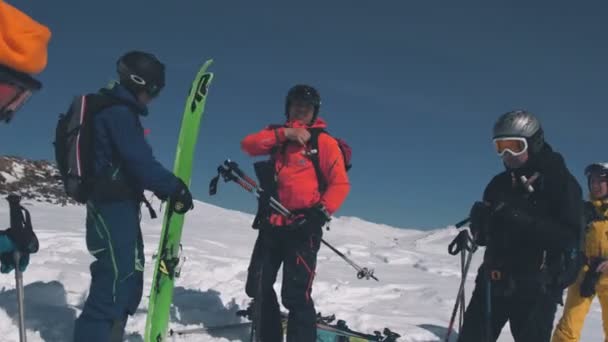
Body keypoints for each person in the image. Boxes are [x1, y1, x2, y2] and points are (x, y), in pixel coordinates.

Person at [72, 51, 194, 342]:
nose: (153, 98)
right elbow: (139, 161)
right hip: (110, 206)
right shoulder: (117, 113)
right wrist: (172, 187)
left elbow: (135, 162)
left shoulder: (120, 112)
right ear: (143, 83)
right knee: (115, 281)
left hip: (122, 207)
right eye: (154, 90)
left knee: (129, 277)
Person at [458, 110, 583, 342]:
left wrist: (521, 220)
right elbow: (485, 237)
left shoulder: (560, 182)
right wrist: (479, 224)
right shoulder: (499, 184)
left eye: (514, 145)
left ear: (534, 142)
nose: (506, 154)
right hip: (493, 281)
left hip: (537, 288)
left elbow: (569, 237)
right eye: (500, 146)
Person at [240, 85, 350, 342]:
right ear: (288, 108)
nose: (301, 110)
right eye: (296, 105)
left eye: (307, 107)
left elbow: (340, 184)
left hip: (303, 228)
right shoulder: (278, 138)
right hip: (271, 224)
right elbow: (249, 145)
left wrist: (318, 215)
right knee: (258, 285)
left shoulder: (323, 142)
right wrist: (285, 133)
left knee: (296, 295)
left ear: (315, 113)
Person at [552, 163, 608, 342]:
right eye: (592, 181)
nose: (595, 185)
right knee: (569, 325)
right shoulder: (582, 210)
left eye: (601, 180)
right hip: (584, 272)